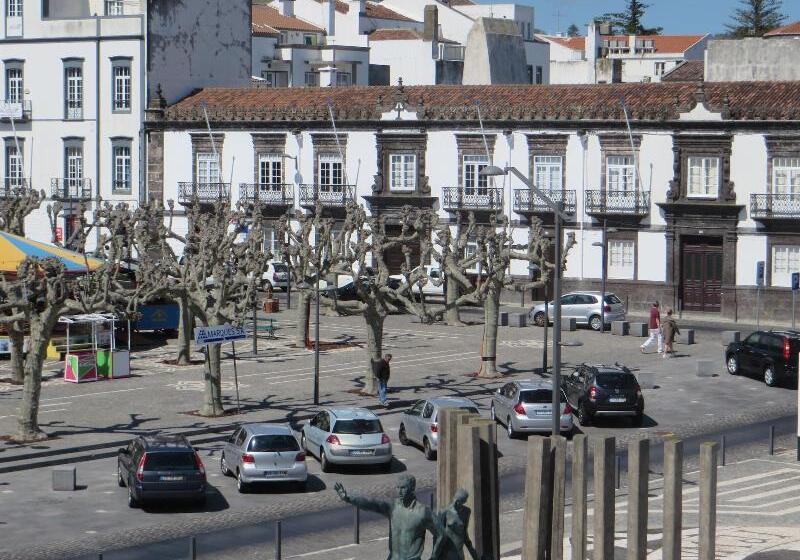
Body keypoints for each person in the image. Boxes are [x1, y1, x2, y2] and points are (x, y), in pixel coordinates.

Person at [335, 475, 436, 560]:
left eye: (403, 488)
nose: (399, 491)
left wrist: (434, 557)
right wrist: (348, 498)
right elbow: (371, 503)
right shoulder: (393, 507)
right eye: (398, 487)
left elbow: (441, 535)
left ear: (412, 488)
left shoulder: (423, 512)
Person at [430, 488, 480, 560]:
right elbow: (438, 535)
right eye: (455, 500)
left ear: (463, 502)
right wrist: (434, 555)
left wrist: (473, 553)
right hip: (447, 553)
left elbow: (464, 533)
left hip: (459, 553)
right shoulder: (444, 512)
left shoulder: (466, 512)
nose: (455, 503)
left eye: (459, 501)